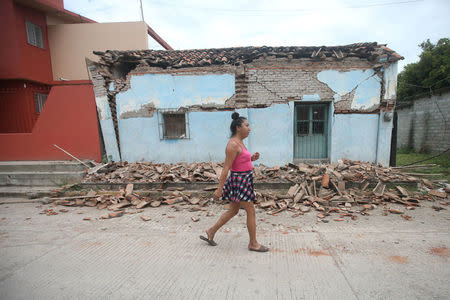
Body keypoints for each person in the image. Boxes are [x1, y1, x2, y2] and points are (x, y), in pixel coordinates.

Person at [199, 112, 269, 252]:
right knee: (251, 211)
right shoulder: (232, 145)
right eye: (247, 125)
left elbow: (240, 161)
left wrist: (251, 159)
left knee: (233, 210)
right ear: (238, 127)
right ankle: (253, 243)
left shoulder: (240, 142)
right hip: (240, 181)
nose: (249, 128)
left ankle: (211, 232)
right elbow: (226, 168)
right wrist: (219, 189)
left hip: (244, 179)